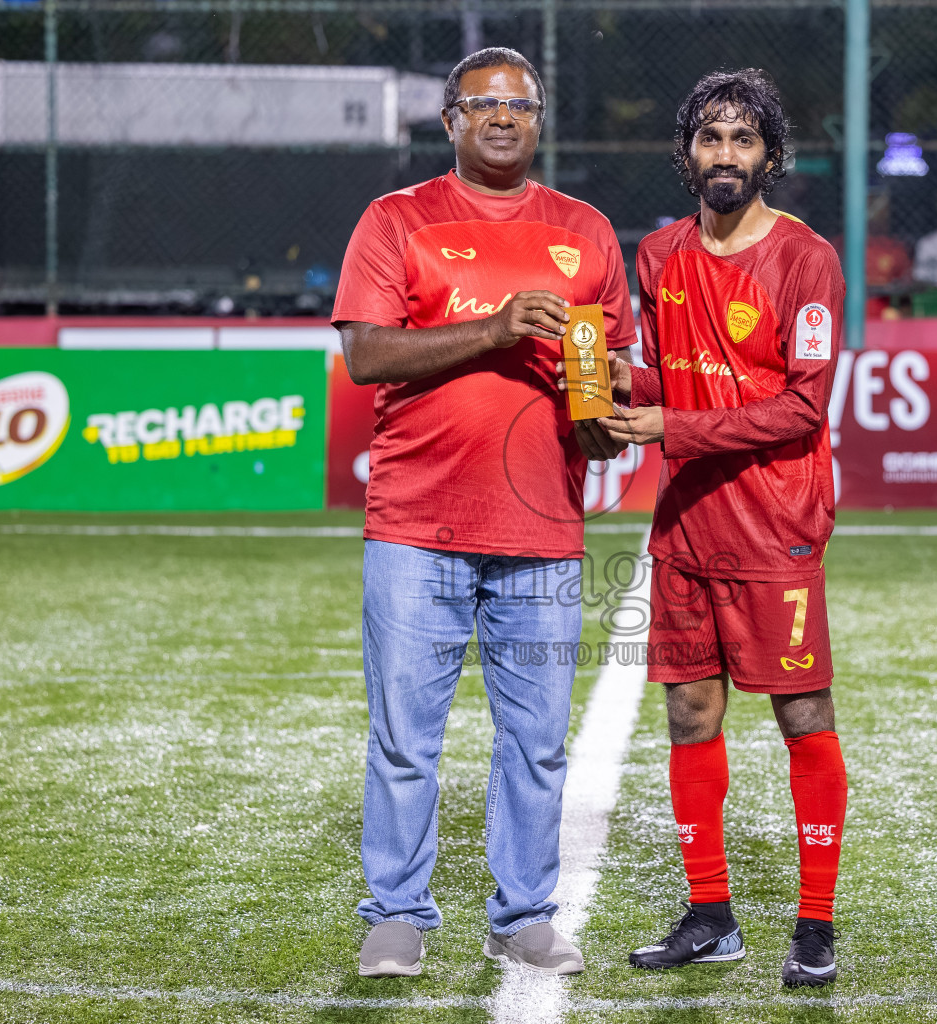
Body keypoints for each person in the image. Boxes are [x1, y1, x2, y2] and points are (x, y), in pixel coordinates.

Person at [330, 47, 635, 978]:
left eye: (521, 104)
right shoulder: (397, 220)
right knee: (404, 740)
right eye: (482, 103)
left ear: (539, 121)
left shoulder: (586, 230)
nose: (502, 117)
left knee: (538, 740)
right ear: (451, 120)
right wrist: (497, 328)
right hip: (417, 523)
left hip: (543, 527)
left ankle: (525, 913)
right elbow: (369, 356)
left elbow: (611, 365)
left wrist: (607, 413)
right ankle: (396, 913)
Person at [586, 68, 848, 989]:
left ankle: (814, 924)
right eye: (710, 137)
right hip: (687, 524)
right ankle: (712, 914)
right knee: (690, 713)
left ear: (770, 156)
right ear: (687, 153)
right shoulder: (657, 256)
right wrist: (622, 385)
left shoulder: (807, 260)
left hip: (777, 524)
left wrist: (672, 426)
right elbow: (670, 381)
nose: (725, 154)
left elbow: (801, 409)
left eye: (743, 139)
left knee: (802, 711)